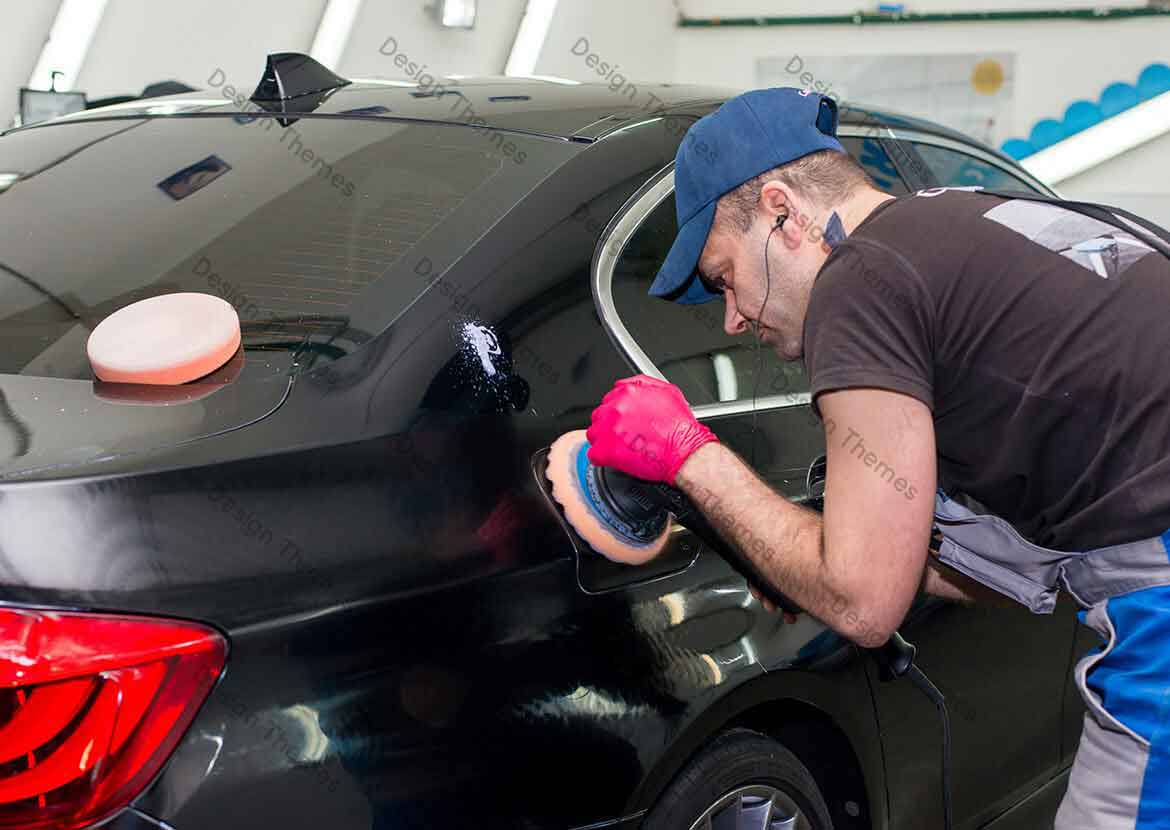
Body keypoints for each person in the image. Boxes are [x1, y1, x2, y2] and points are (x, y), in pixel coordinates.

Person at [584, 86, 1170, 829]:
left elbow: (864, 604)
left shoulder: (859, 284)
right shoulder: (966, 224)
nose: (732, 318)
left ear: (781, 212)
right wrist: (809, 556)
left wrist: (685, 453)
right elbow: (1046, 559)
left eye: (725, 277)